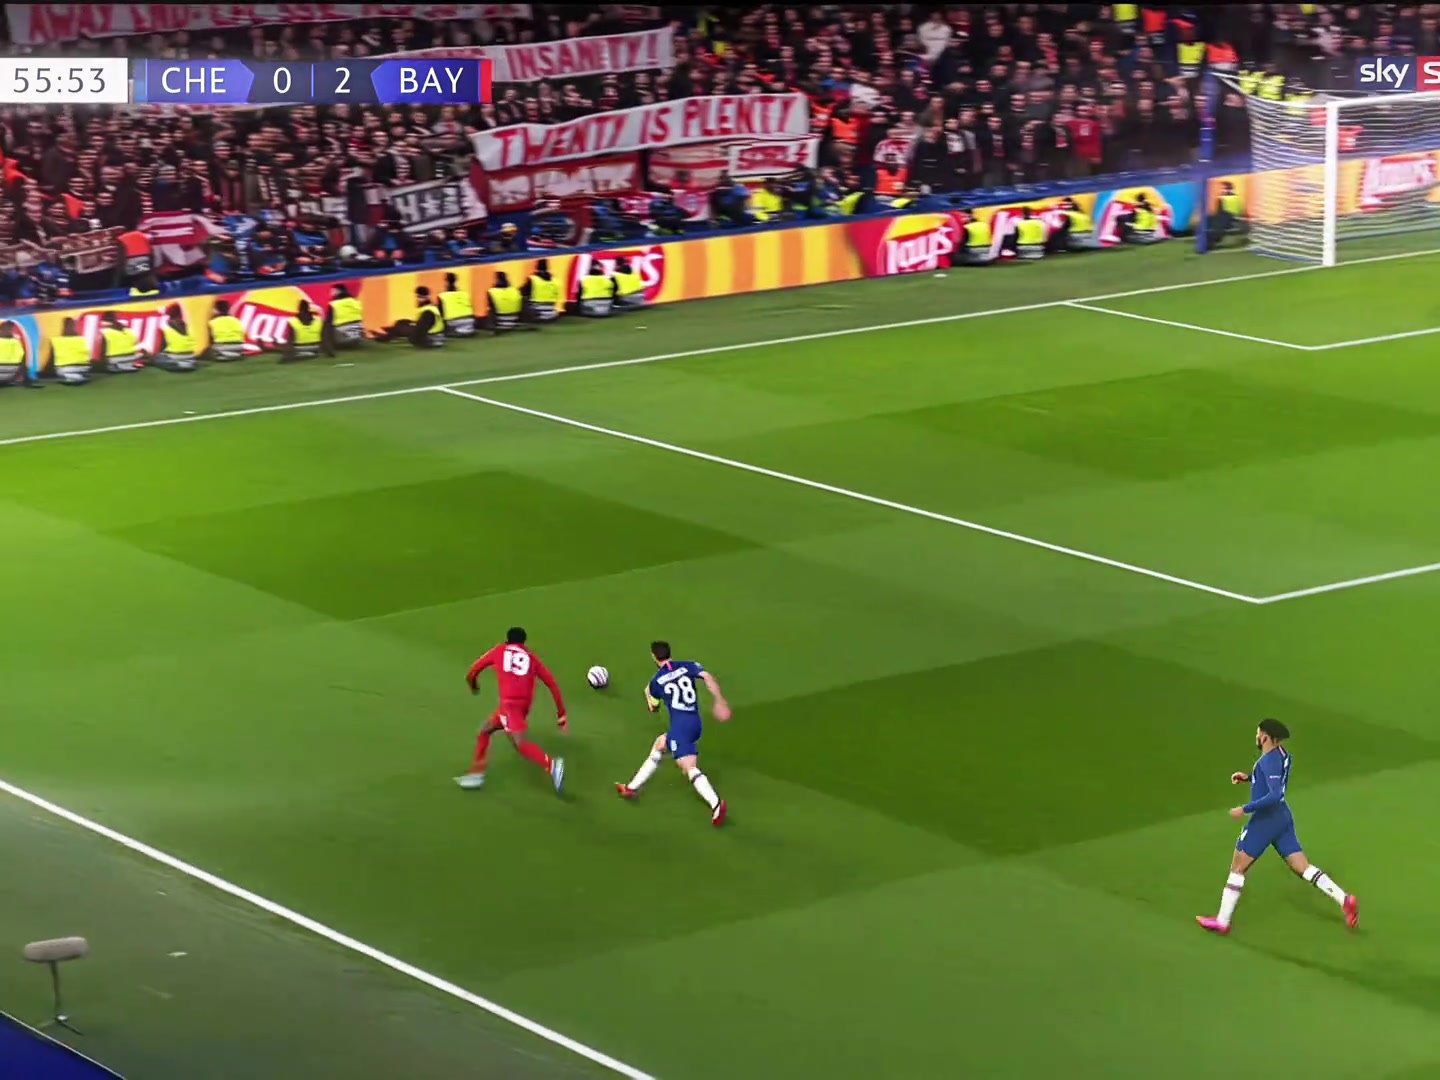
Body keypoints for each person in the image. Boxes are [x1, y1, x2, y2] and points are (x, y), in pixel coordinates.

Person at [1197, 718, 1359, 936]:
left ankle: (1222, 922)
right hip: (1282, 818)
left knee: (1238, 868)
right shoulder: (1283, 755)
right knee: (1303, 867)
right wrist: (1250, 778)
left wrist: (1244, 809)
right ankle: (1344, 899)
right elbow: (1274, 782)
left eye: (1258, 733)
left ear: (1265, 736)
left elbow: (1274, 794)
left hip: (1265, 821)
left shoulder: (1267, 761)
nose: (1256, 736)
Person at [616, 641, 731, 827]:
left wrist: (648, 693)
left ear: (654, 657)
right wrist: (719, 700)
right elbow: (707, 676)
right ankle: (631, 788)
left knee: (689, 768)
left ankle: (716, 804)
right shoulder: (687, 665)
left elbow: (653, 708)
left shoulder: (657, 681)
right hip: (695, 722)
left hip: (681, 728)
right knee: (660, 744)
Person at [456, 627, 567, 794]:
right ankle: (476, 774)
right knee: (485, 730)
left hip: (510, 707)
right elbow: (552, 684)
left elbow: (473, 672)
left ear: (507, 639)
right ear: (524, 642)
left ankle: (552, 766)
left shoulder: (499, 651)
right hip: (522, 706)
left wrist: (474, 686)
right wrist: (561, 714)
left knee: (521, 744)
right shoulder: (531, 658)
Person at [49, 317, 93, 384]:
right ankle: (79, 375)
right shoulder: (82, 339)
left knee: (60, 371)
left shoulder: (57, 340)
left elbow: (52, 359)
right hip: (85, 367)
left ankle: (73, 377)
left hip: (66, 368)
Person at [156, 304, 199, 372]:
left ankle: (178, 364)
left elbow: (162, 346)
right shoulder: (188, 326)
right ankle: (187, 364)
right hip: (190, 357)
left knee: (158, 357)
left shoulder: (166, 326)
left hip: (175, 357)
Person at [326, 284, 366, 348]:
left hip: (342, 338)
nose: (331, 293)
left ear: (338, 291)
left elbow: (328, 322)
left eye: (332, 291)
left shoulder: (334, 304)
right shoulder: (356, 301)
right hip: (359, 335)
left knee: (325, 324)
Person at [0, 320, 37, 388]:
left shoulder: (15, 342)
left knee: (22, 359)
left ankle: (26, 381)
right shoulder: (16, 342)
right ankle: (26, 381)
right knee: (22, 359)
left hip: (9, 374)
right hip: (10, 376)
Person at [439, 272, 476, 337]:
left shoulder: (443, 296)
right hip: (470, 321)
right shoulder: (465, 294)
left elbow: (440, 314)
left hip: (454, 322)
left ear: (446, 282)